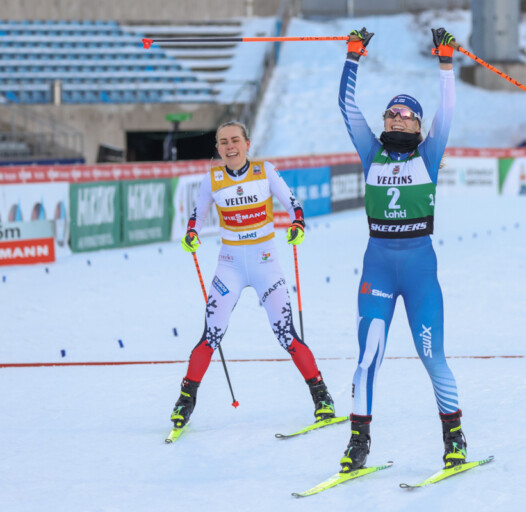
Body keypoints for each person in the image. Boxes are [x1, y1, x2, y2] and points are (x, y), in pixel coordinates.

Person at [337, 27, 467, 472]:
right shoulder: (370, 152)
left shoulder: (427, 155)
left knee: (432, 356)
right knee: (368, 357)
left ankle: (454, 437)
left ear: (418, 125)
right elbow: (347, 107)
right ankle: (358, 442)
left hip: (418, 271)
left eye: (406, 114)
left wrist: (445, 64)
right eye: (391, 113)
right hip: (378, 267)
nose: (396, 119)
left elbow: (448, 111)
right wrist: (353, 56)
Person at [169, 121, 336, 430]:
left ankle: (322, 397)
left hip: (265, 265)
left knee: (285, 333)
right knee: (211, 335)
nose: (229, 146)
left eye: (235, 140)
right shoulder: (212, 179)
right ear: (217, 148)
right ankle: (185, 401)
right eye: (223, 142)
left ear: (247, 144)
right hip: (229, 267)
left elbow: (294, 206)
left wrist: (298, 226)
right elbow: (197, 215)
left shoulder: (264, 171)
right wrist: (192, 233)